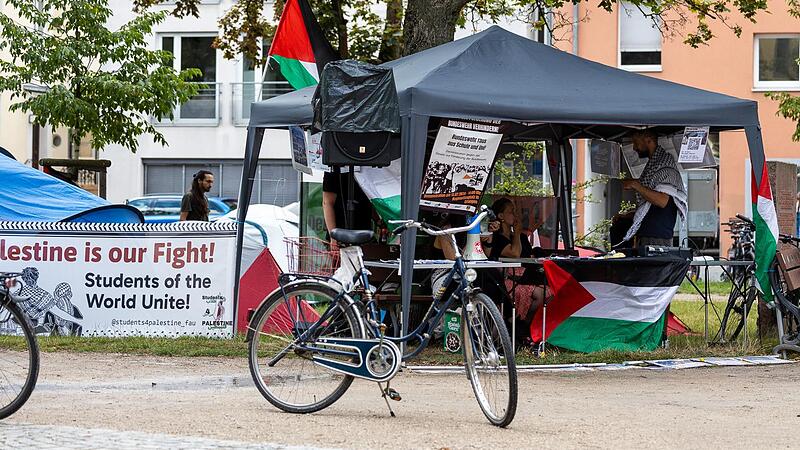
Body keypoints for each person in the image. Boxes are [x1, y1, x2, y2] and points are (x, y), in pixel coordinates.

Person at [613, 130, 687, 247]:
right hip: (648, 235)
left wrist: (636, 185)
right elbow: (649, 207)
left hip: (657, 237)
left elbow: (662, 201)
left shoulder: (665, 166)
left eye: (636, 143)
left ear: (648, 140)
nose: (634, 148)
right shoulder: (654, 164)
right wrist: (628, 216)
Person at [322, 169, 373, 244]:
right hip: (341, 235)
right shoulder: (333, 169)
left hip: (364, 234)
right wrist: (334, 239)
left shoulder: (367, 169)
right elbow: (327, 203)